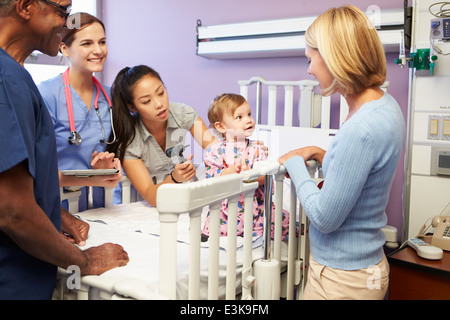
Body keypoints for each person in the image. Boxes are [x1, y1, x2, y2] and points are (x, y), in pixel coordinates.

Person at [0, 0, 128, 300]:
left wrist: (54, 214)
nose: (66, 22)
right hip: (12, 276)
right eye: (62, 11)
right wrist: (86, 261)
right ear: (26, 6)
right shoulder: (8, 81)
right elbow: (11, 210)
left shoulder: (14, 76)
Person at [278, 5, 405, 300]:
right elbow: (366, 170)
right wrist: (326, 156)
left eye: (311, 59)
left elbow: (324, 217)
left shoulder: (360, 128)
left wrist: (295, 165)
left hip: (342, 279)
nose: (309, 69)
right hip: (364, 267)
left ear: (335, 58)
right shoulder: (385, 106)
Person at [39, 12, 122, 212]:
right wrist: (93, 177)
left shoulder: (111, 96)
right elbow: (36, 167)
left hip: (103, 206)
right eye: (87, 44)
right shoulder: (47, 94)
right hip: (58, 206)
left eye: (102, 42)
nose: (98, 50)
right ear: (64, 49)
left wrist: (111, 169)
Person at [106, 65, 217, 207]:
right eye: (147, 101)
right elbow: (151, 196)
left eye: (161, 92)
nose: (159, 104)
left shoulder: (182, 114)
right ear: (132, 107)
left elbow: (217, 150)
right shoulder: (130, 142)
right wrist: (175, 177)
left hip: (177, 200)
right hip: (137, 205)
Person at [201, 94, 289, 240]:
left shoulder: (257, 148)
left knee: (283, 220)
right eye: (239, 117)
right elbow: (211, 180)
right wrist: (227, 172)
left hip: (256, 205)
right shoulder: (214, 151)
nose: (248, 119)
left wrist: (252, 175)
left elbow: (265, 176)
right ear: (221, 127)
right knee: (216, 225)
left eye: (249, 114)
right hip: (227, 208)